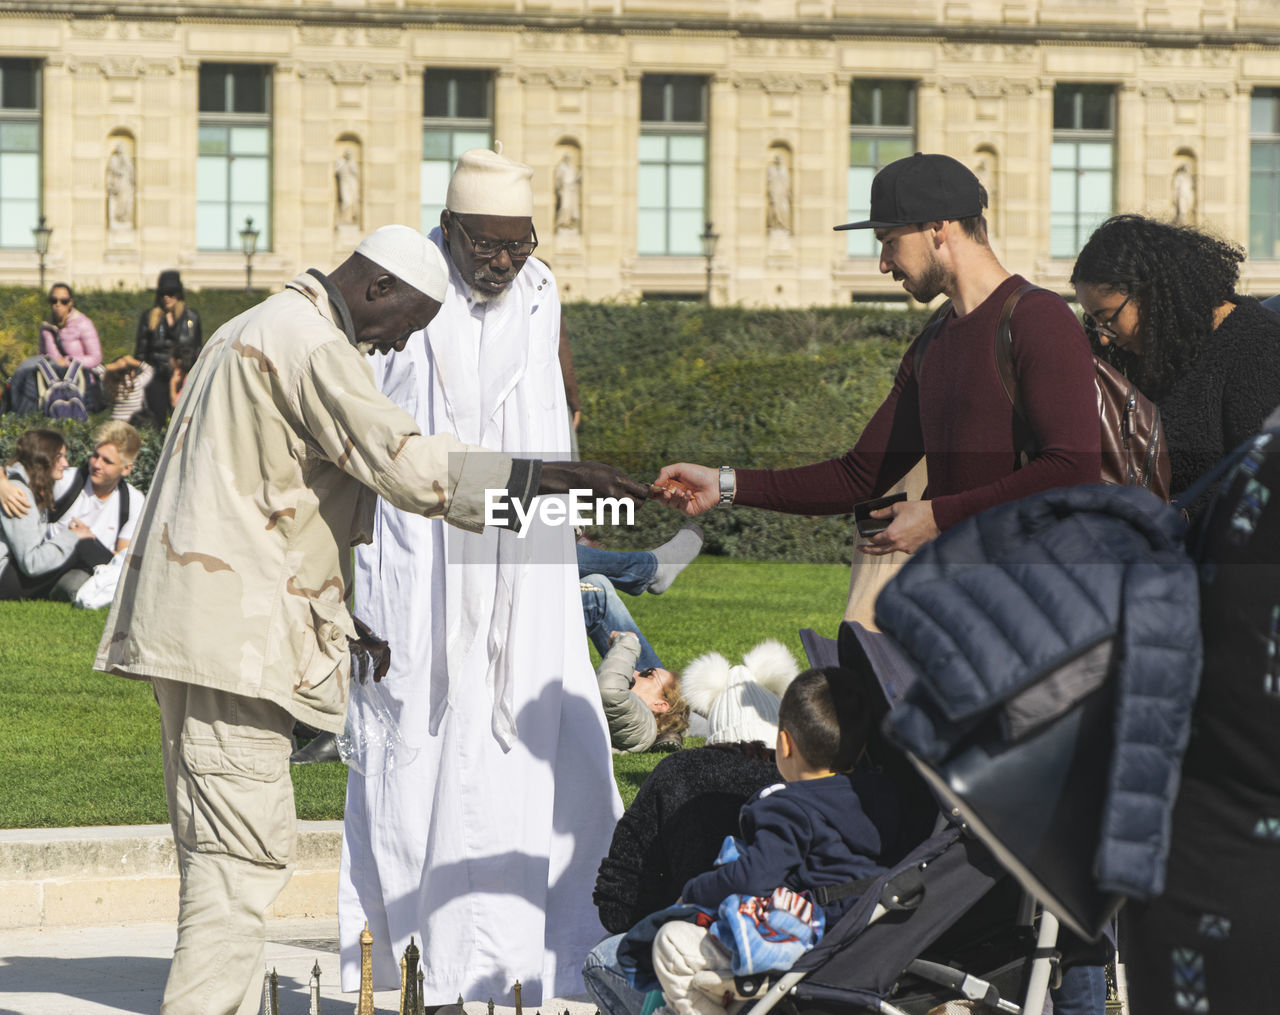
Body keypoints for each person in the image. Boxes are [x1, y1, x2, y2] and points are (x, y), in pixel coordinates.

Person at [93, 223, 646, 1015]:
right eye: (405, 327)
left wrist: (342, 617)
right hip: (233, 648)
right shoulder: (312, 344)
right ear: (378, 289)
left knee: (218, 856)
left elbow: (260, 506)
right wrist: (554, 477)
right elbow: (411, 465)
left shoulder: (247, 328)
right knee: (240, 859)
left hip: (204, 635)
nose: (393, 349)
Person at [339, 146, 624, 1006]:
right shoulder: (407, 283)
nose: (503, 262)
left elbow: (552, 399)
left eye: (519, 244)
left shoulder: (541, 293)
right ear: (450, 230)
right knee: (415, 743)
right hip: (418, 549)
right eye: (486, 245)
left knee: (531, 742)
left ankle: (537, 950)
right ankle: (408, 954)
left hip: (522, 551)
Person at [655, 152, 1100, 557]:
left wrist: (940, 517)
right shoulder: (933, 341)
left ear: (937, 228)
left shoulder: (1038, 318)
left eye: (889, 241)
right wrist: (725, 483)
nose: (884, 264)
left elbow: (1072, 469)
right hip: (963, 601)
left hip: (1040, 602)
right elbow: (858, 476)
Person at [650, 668, 898, 1015]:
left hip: (801, 949)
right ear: (861, 751)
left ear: (784, 743)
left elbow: (753, 877)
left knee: (670, 943)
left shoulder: (788, 806)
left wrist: (693, 890)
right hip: (871, 942)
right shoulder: (888, 796)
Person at [1071, 214, 1280, 505]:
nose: (1103, 337)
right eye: (1093, 323)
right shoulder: (1157, 347)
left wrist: (1173, 513)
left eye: (1107, 318)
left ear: (1153, 294)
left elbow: (1259, 476)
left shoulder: (1260, 346)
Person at [584, 741, 782, 1015]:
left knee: (601, 957)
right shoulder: (807, 797)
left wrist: (678, 906)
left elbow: (617, 905)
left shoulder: (678, 774)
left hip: (728, 969)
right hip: (795, 968)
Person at [40, 421, 147, 601]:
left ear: (126, 468)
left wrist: (90, 541)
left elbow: (121, 559)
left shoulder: (133, 500)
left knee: (71, 586)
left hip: (89, 568)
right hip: (48, 559)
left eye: (107, 461)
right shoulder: (66, 480)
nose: (97, 464)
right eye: (95, 456)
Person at [0, 429, 101, 600]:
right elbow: (31, 563)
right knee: (80, 543)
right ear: (43, 457)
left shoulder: (27, 486)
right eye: (59, 456)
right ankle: (124, 577)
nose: (66, 463)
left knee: (80, 541)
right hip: (4, 579)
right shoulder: (18, 494)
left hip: (11, 571)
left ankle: (115, 576)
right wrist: (72, 536)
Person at [596, 630, 689, 753]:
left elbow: (609, 690)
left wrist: (630, 641)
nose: (634, 672)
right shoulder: (643, 723)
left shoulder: (643, 726)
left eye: (647, 675)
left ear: (660, 705)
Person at [133, 269, 202, 423]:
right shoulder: (149, 317)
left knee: (184, 422)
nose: (166, 297)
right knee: (156, 421)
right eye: (163, 293)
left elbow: (197, 349)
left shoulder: (192, 317)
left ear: (178, 294)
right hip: (157, 377)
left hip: (182, 378)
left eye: (170, 293)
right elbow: (141, 352)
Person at [40, 283, 102, 369]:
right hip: (52, 379)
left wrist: (67, 362)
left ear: (70, 303)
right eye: (54, 301)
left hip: (80, 378)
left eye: (64, 301)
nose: (58, 305)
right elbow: (41, 355)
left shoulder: (83, 324)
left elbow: (95, 358)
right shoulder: (45, 327)